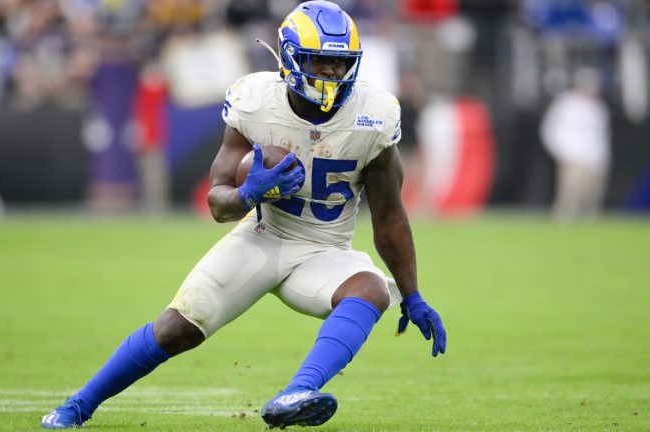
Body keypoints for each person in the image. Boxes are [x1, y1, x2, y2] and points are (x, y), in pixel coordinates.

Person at [40, 1, 446, 429]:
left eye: (339, 63)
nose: (330, 73)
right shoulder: (256, 102)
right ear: (290, 59)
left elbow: (389, 215)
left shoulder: (373, 115)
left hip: (324, 250)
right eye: (320, 61)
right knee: (176, 329)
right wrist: (250, 192)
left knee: (370, 290)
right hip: (262, 237)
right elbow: (218, 203)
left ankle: (297, 392)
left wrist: (412, 293)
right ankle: (76, 406)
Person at [540, 66, 611, 222]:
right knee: (571, 193)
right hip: (573, 156)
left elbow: (600, 135)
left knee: (591, 196)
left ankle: (588, 225)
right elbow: (550, 129)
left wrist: (602, 158)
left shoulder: (598, 107)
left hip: (594, 158)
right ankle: (564, 221)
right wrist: (563, 152)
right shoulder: (566, 103)